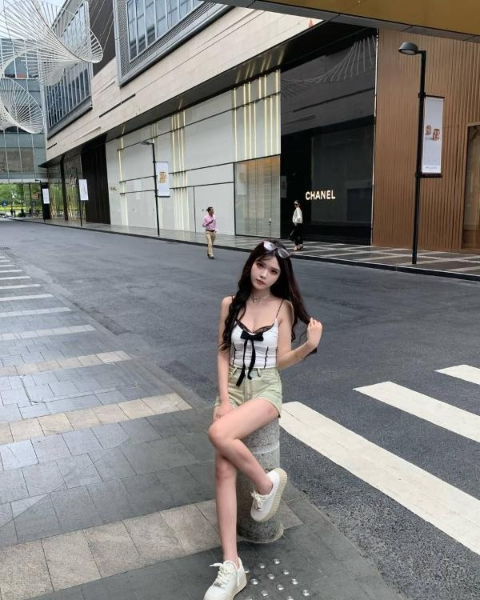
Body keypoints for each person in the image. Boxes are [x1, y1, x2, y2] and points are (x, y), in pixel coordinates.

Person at [204, 239, 323, 600]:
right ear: (251, 263)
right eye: (261, 265)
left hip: (266, 388)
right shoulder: (230, 304)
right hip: (232, 387)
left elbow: (281, 359)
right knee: (222, 469)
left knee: (217, 434)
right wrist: (225, 400)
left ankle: (266, 485)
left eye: (273, 271)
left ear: (279, 277)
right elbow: (223, 352)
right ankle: (232, 566)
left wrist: (307, 347)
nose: (265, 274)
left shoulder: (283, 307)